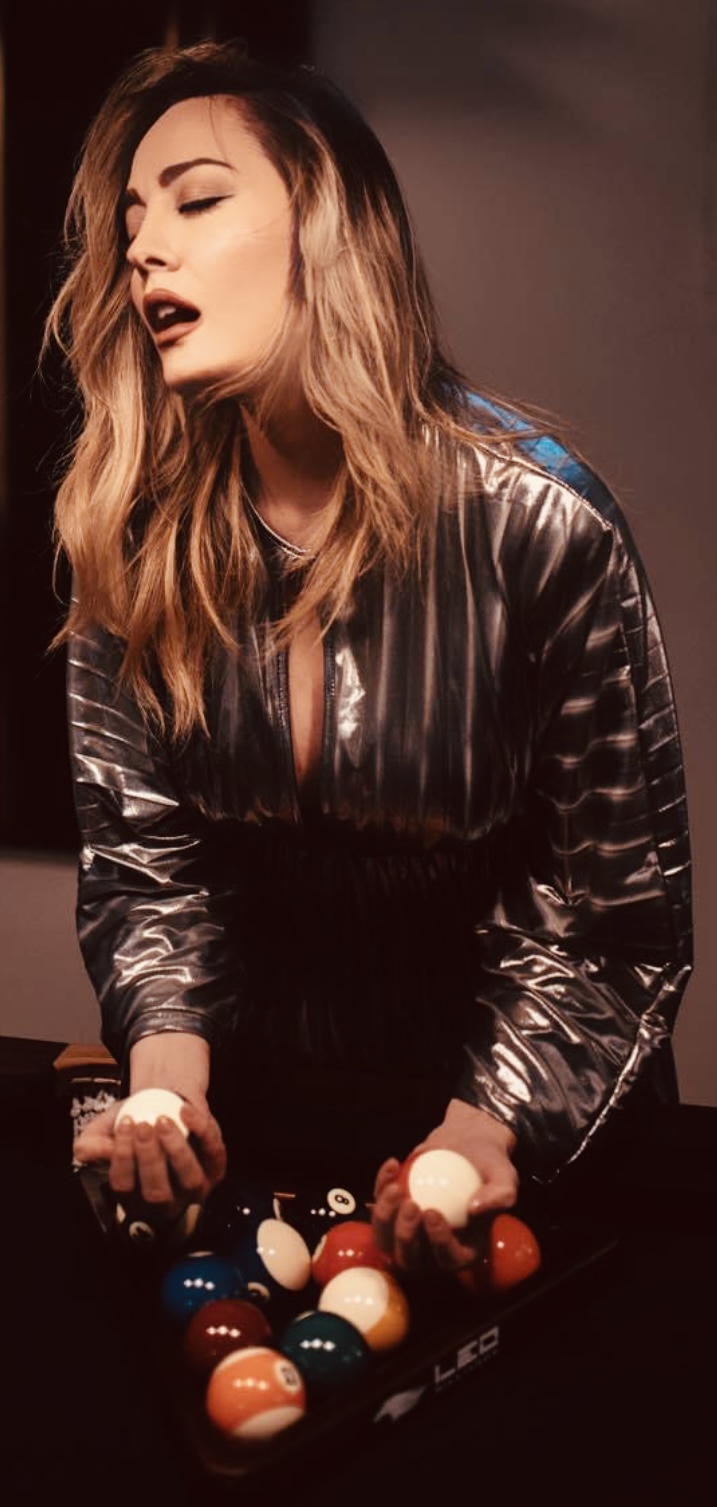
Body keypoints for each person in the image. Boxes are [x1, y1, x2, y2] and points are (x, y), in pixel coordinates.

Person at [50, 40, 692, 1277]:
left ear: (328, 228)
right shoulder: (127, 537)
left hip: (518, 1148)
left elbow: (610, 921)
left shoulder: (538, 526)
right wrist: (165, 1093)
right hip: (263, 1137)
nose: (143, 250)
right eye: (130, 222)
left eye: (195, 200)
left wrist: (481, 1133)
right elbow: (145, 871)